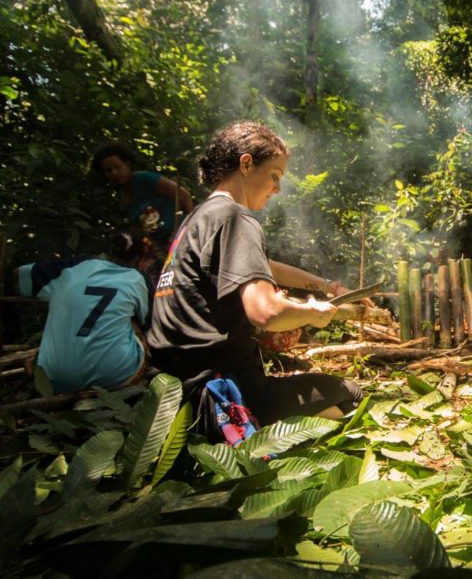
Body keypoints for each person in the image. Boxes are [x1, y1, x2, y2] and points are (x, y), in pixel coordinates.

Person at [146, 121, 362, 423]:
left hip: (169, 398)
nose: (278, 188)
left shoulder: (197, 220)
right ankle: (261, 433)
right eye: (275, 175)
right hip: (222, 394)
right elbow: (266, 313)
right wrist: (312, 311)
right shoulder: (235, 216)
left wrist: (323, 284)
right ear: (246, 164)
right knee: (349, 393)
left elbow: (259, 266)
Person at [17, 230, 157, 393]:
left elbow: (18, 275)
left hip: (52, 376)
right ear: (140, 260)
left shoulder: (73, 267)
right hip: (113, 376)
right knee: (135, 321)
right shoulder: (139, 278)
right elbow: (152, 325)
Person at [92, 141, 195, 245]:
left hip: (181, 238)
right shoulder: (123, 197)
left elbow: (184, 195)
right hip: (161, 246)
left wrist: (188, 229)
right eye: (108, 170)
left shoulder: (144, 178)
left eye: (118, 167)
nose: (114, 173)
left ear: (127, 164)